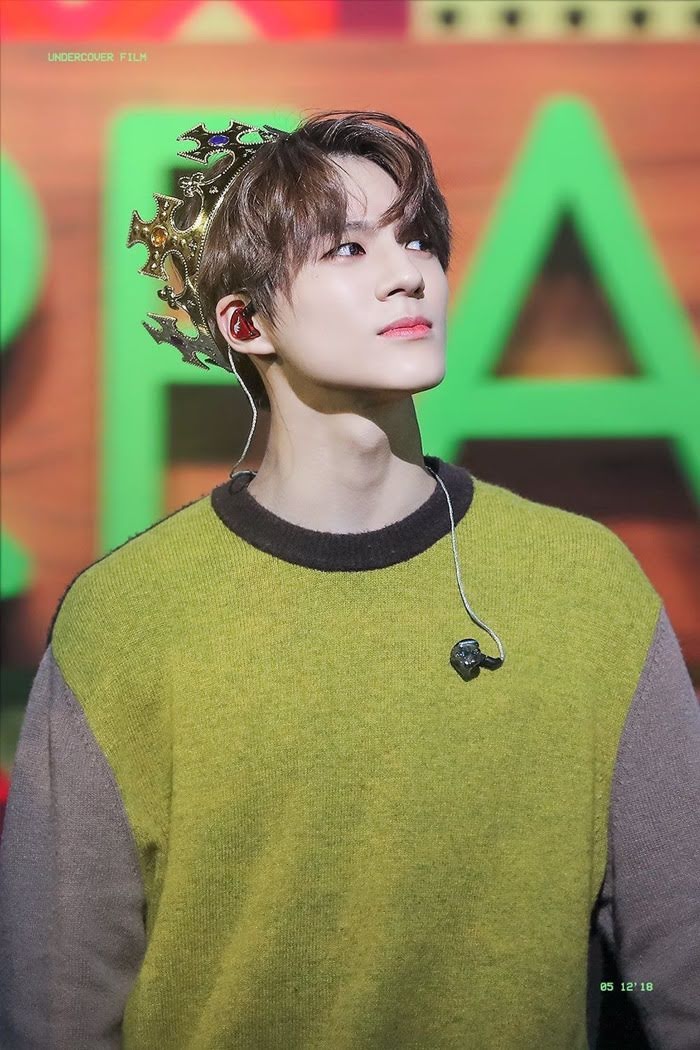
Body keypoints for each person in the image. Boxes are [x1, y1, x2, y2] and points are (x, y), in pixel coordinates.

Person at [0, 109, 698, 1050]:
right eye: (346, 247)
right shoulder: (128, 617)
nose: (408, 272)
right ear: (245, 323)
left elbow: (680, 967)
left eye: (417, 239)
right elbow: (57, 1009)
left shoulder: (586, 586)